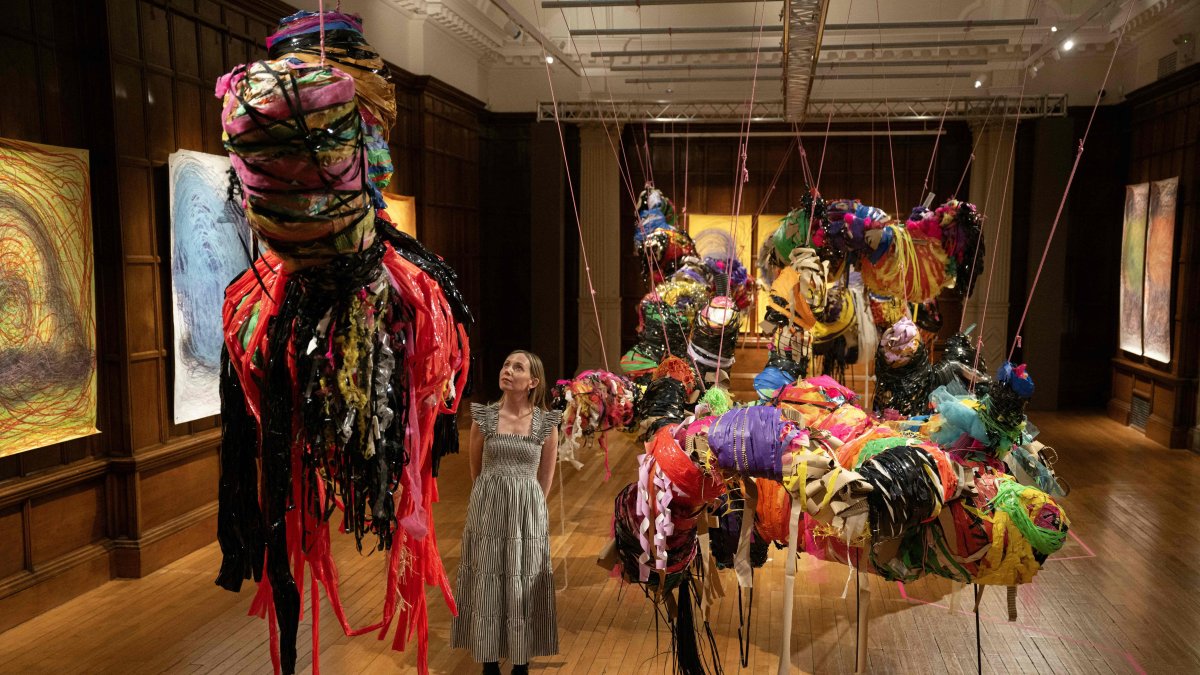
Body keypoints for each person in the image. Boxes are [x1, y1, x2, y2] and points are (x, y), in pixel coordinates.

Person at [451, 350, 561, 674]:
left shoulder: (545, 424)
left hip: (527, 515)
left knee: (522, 583)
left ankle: (521, 661)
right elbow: (476, 470)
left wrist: (527, 510)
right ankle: (488, 661)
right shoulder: (483, 418)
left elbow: (545, 480)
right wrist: (494, 497)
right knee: (486, 581)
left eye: (518, 367)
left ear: (533, 382)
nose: (508, 370)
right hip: (488, 510)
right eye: (505, 364)